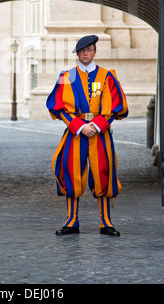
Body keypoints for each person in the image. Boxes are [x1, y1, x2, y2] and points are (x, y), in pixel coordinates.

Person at [46, 35, 128, 237]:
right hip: (76, 133)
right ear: (77, 53)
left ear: (95, 51)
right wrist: (79, 127)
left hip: (100, 134)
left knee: (104, 173)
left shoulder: (107, 76)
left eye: (89, 49)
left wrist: (98, 126)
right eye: (82, 50)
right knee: (71, 173)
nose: (85, 53)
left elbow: (116, 108)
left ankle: (106, 222)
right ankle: (71, 221)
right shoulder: (67, 76)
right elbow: (59, 108)